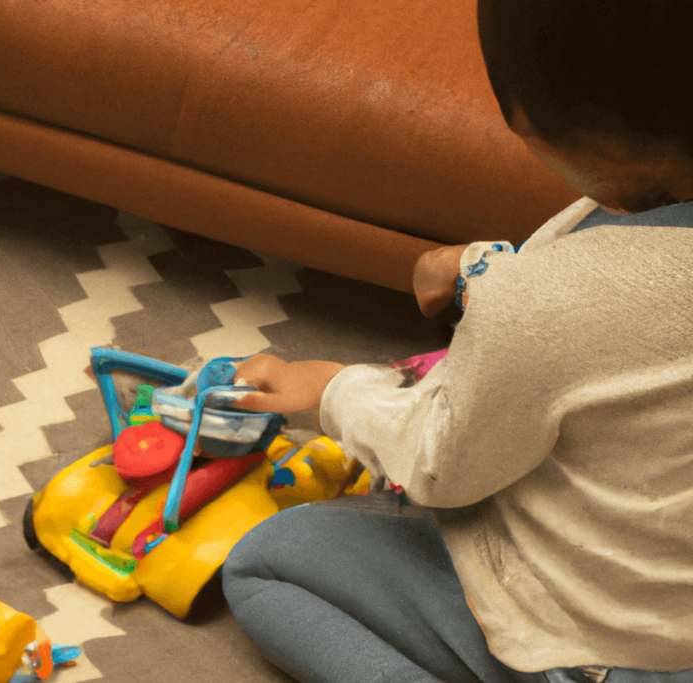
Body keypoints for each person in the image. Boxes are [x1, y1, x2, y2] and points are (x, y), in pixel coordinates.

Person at [220, 1, 693, 681]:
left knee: (267, 564)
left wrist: (331, 389)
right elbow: (629, 314)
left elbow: (442, 465)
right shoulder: (582, 255)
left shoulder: (542, 300)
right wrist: (484, 270)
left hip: (602, 643)